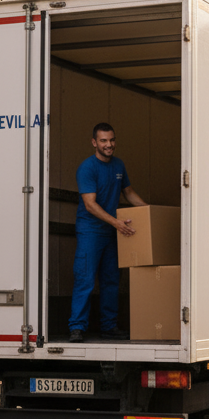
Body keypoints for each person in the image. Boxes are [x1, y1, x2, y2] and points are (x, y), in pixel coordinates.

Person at [68, 123, 146, 342]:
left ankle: (109, 327)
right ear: (94, 142)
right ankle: (77, 327)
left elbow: (129, 193)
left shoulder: (118, 165)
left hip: (112, 231)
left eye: (111, 140)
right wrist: (117, 223)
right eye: (103, 141)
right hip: (90, 232)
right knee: (85, 279)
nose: (108, 144)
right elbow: (90, 204)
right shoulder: (87, 168)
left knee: (111, 279)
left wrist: (149, 211)